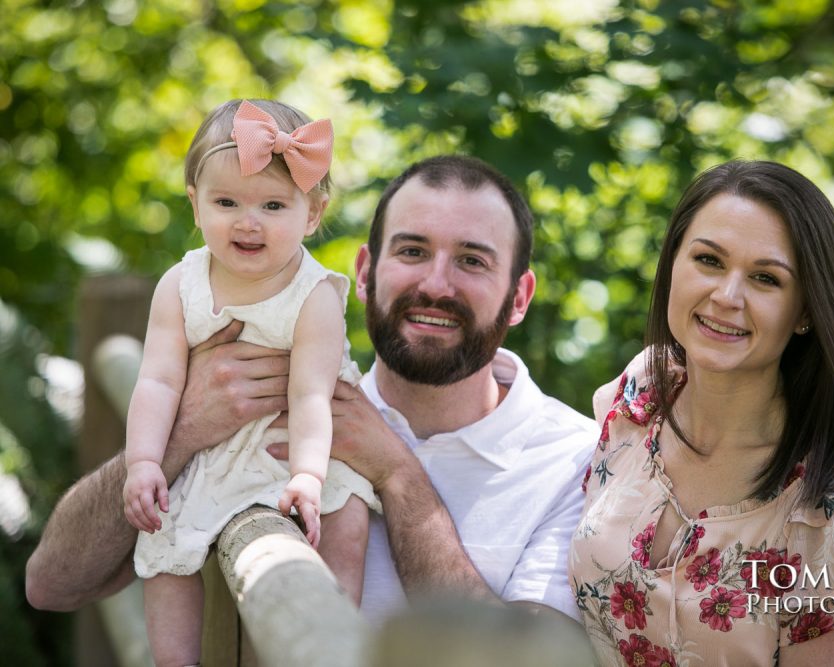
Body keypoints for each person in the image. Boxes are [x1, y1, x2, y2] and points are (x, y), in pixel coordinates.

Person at [25, 155, 596, 630]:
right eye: (412, 251)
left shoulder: (580, 461)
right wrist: (184, 431)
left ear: (519, 297)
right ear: (366, 271)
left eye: (472, 260)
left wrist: (397, 476)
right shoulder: (269, 408)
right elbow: (51, 584)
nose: (435, 284)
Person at [569, 160, 834, 666]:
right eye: (709, 261)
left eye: (765, 278)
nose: (727, 296)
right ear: (674, 263)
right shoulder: (637, 397)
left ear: (806, 311)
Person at [120, 98, 379, 665]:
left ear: (311, 214)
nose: (248, 220)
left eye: (273, 204)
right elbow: (159, 380)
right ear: (195, 204)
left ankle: (332, 645)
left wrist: (308, 477)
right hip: (213, 451)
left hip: (299, 444)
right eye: (226, 201)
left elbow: (311, 395)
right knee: (165, 546)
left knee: (346, 516)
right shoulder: (181, 286)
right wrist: (143, 462)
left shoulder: (314, 296)